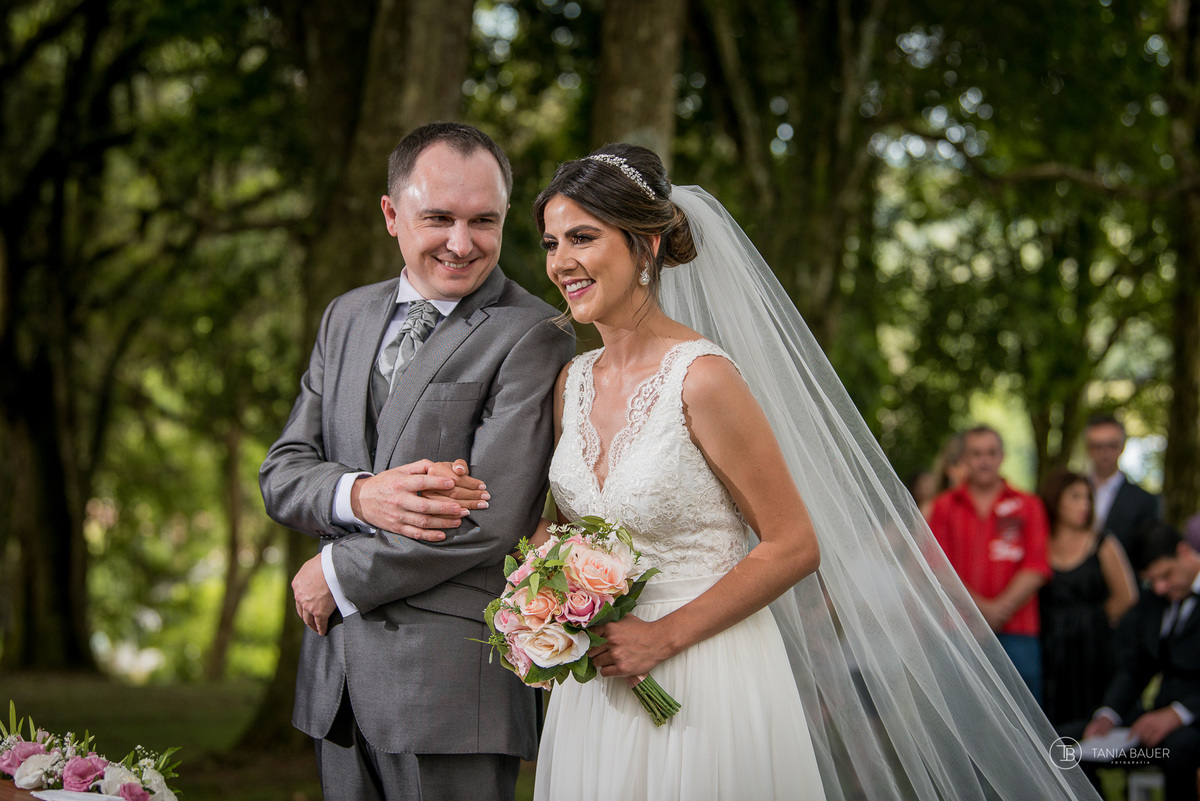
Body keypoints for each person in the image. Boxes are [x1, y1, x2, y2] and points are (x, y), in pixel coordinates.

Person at [493, 144, 1097, 799]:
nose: (560, 261)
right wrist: (546, 601)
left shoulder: (702, 378)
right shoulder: (572, 382)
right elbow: (566, 533)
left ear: (648, 245)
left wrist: (660, 637)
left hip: (702, 668)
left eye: (583, 237)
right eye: (551, 242)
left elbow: (794, 544)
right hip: (601, 683)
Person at [259, 122, 575, 801]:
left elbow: (491, 518)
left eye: (483, 221)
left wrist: (337, 572)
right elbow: (282, 471)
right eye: (438, 218)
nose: (462, 243)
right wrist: (358, 494)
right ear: (391, 214)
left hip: (453, 687)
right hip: (335, 680)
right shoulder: (344, 317)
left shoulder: (535, 333)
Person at [927, 425, 1053, 703]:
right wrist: (984, 610)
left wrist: (999, 609)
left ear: (1002, 456)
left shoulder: (1028, 505)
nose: (984, 461)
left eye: (991, 453)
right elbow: (936, 567)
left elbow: (1036, 566)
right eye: (976, 454)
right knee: (961, 716)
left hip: (1018, 631)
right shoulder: (944, 506)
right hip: (959, 629)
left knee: (1024, 717)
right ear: (964, 459)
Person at [1082, 522, 1200, 801]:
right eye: (1151, 581)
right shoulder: (1154, 600)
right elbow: (1135, 667)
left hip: (1194, 722)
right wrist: (1108, 714)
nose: (1159, 588)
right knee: (1067, 745)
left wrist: (1178, 714)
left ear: (1184, 552)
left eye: (1166, 575)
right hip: (1155, 721)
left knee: (1179, 750)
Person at [1038, 469, 1137, 728]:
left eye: (1088, 498)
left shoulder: (1103, 542)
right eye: (1075, 496)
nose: (1084, 505)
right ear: (1055, 499)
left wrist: (1093, 622)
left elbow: (1126, 596)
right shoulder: (1039, 542)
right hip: (1049, 644)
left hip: (1093, 646)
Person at [1085, 414, 1160, 556]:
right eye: (1097, 446)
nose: (1104, 452)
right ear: (1088, 448)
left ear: (1122, 446)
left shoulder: (1144, 500)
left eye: (1111, 445)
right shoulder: (1070, 493)